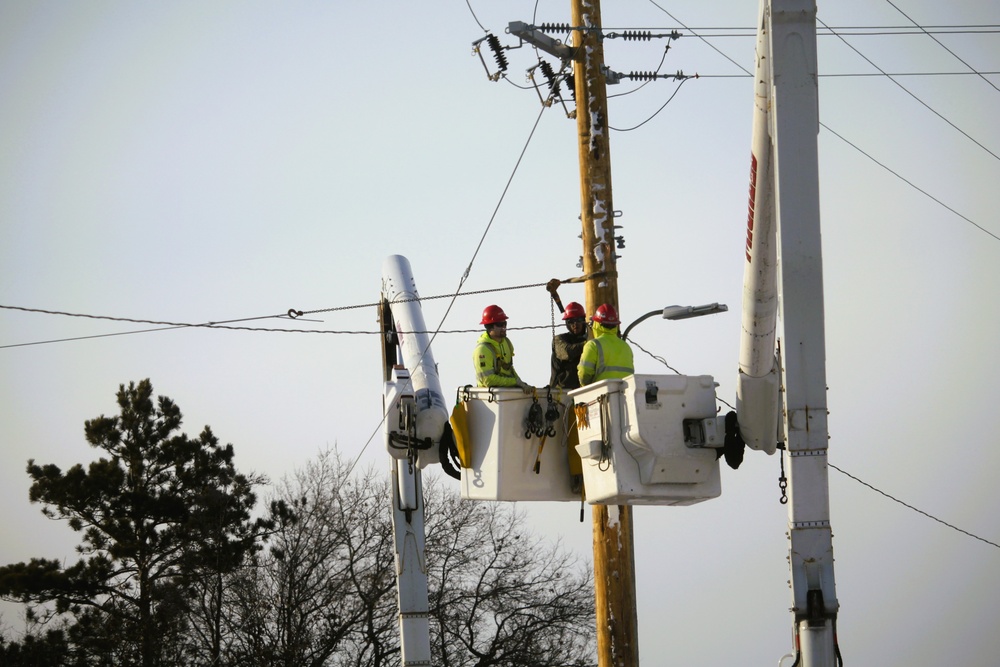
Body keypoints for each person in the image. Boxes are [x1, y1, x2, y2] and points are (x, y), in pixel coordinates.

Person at [473, 305, 533, 392]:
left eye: (505, 323)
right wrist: (515, 382)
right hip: (490, 396)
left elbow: (509, 368)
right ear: (490, 327)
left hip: (507, 393)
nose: (504, 327)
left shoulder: (507, 343)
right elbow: (488, 380)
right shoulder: (482, 350)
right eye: (500, 325)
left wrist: (521, 383)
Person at [578, 303, 634, 386]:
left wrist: (586, 387)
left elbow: (584, 374)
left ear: (597, 324)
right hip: (626, 391)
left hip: (602, 392)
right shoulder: (626, 347)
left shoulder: (593, 345)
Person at [549, 301, 588, 389]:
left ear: (584, 321)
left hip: (583, 390)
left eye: (578, 320)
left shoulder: (589, 340)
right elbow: (567, 352)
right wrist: (589, 344)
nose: (575, 324)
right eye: (571, 321)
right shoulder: (559, 340)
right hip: (561, 392)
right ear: (566, 323)